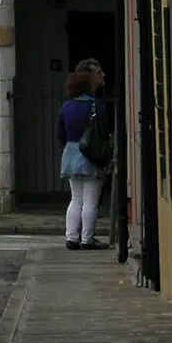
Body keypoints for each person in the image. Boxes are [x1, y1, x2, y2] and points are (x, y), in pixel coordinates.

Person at [57, 60, 109, 249]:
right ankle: (87, 239)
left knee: (75, 198)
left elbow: (60, 134)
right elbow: (104, 131)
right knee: (90, 201)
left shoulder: (66, 106)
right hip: (90, 155)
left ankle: (71, 237)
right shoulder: (96, 106)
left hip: (71, 154)